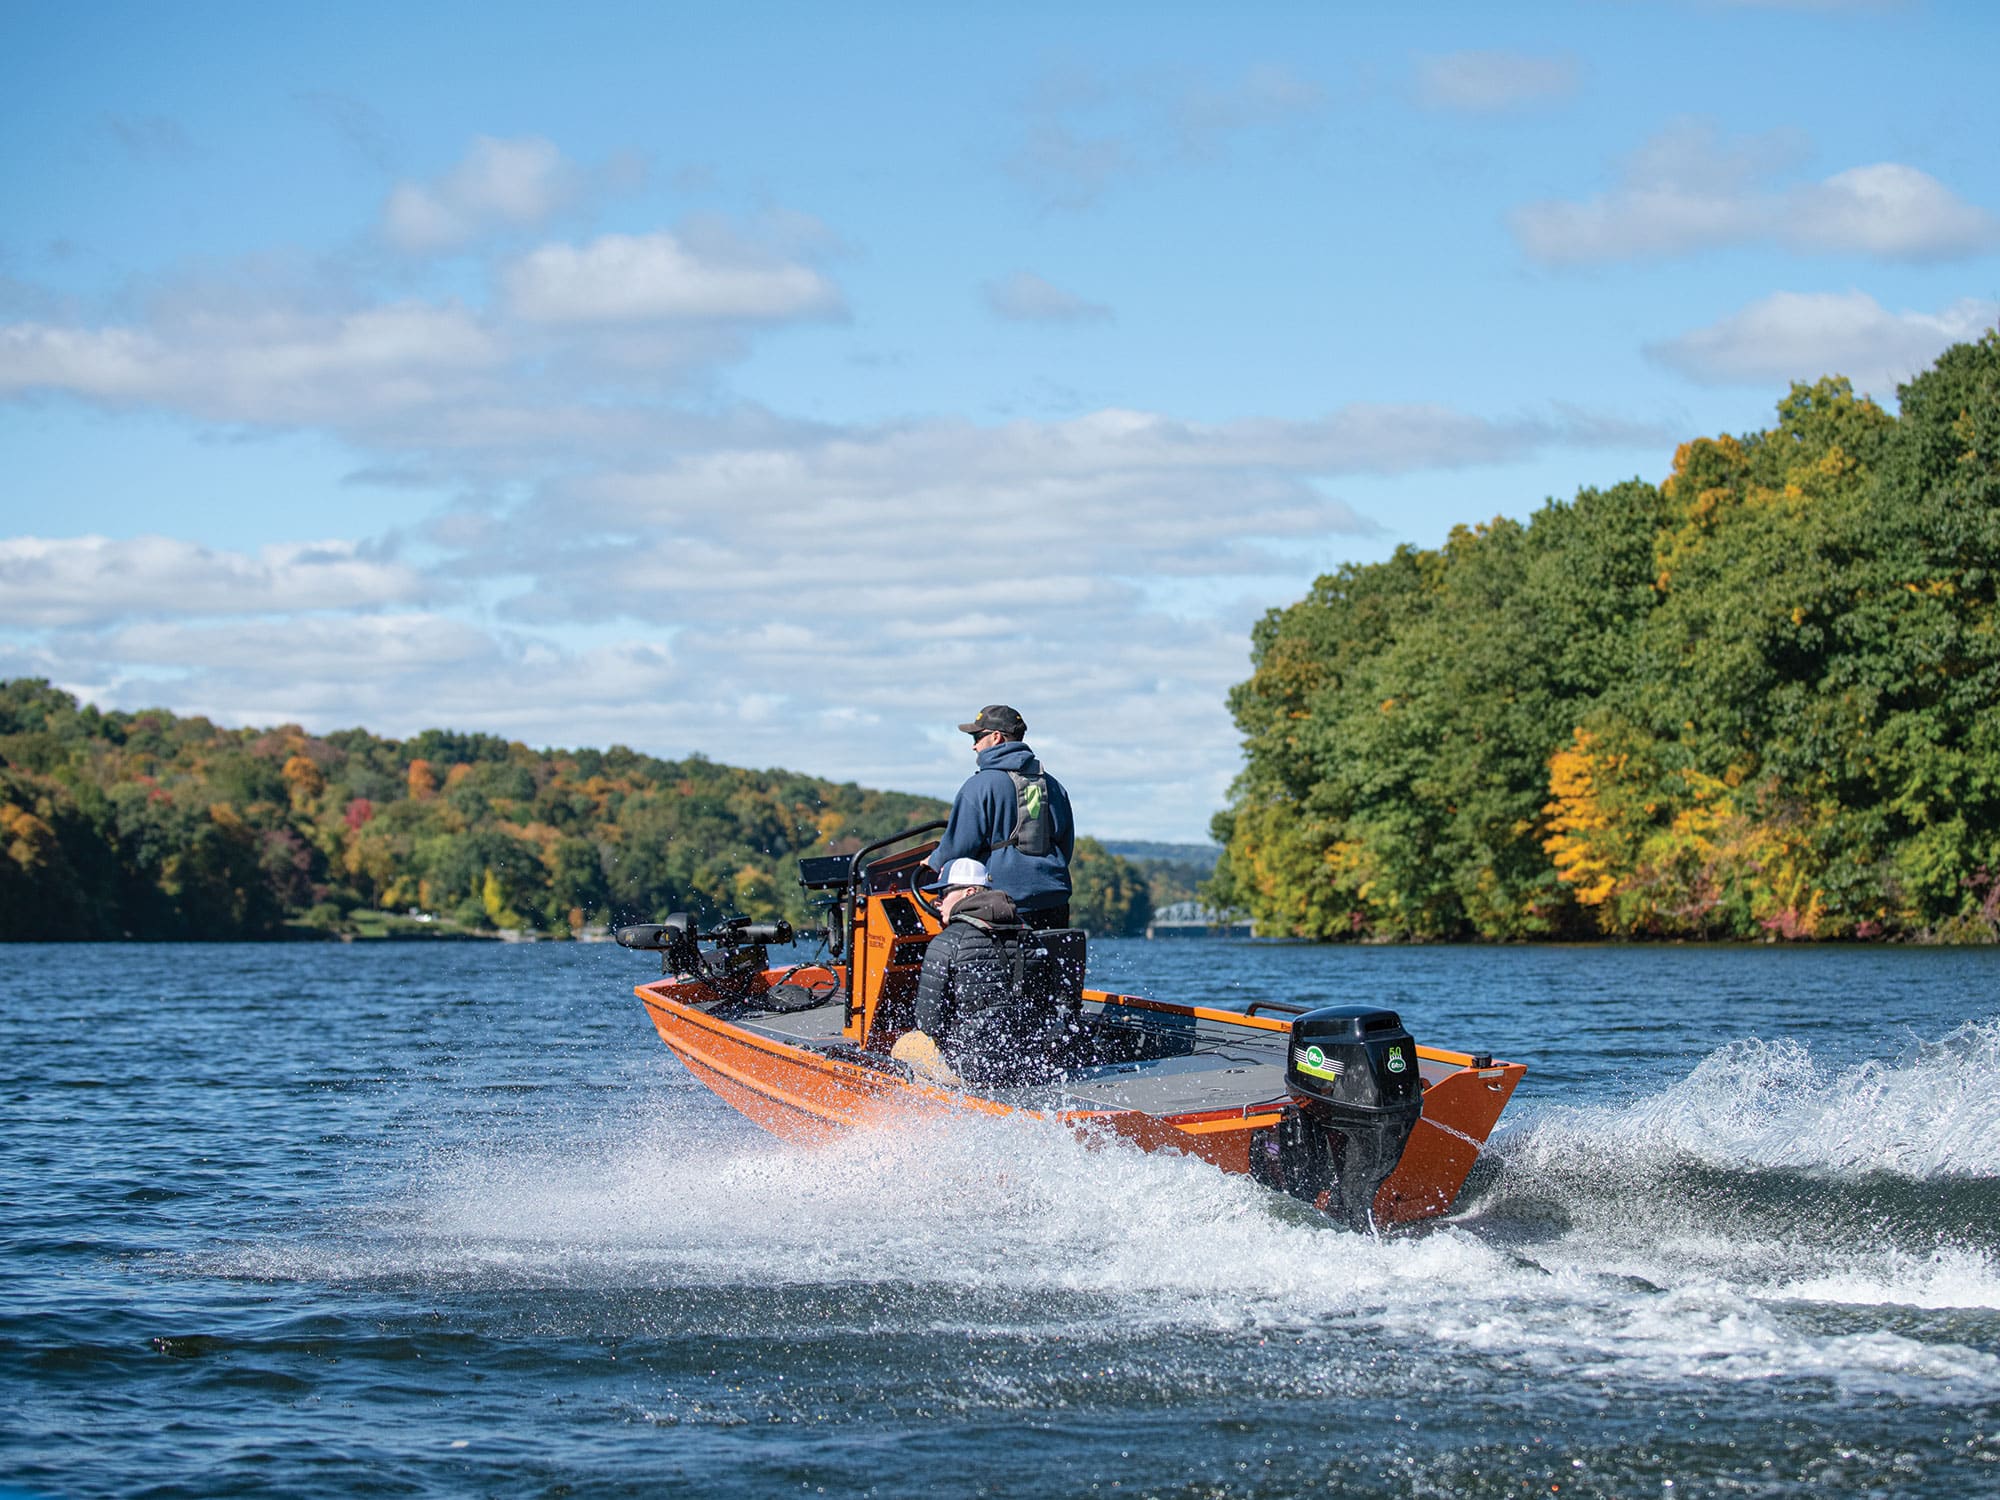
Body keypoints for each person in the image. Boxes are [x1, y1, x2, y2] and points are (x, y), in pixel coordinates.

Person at [897, 857, 1071, 1086]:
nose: (937, 902)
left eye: (943, 893)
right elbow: (1048, 1008)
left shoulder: (947, 942)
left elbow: (929, 1023)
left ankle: (934, 1111)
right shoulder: (1030, 937)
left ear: (968, 893)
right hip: (1028, 1066)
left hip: (973, 1069)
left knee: (904, 1047)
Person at [926, 704, 1075, 931]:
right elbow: (1066, 845)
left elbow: (958, 848)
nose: (973, 746)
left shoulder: (979, 786)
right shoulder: (1053, 785)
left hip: (1005, 904)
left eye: (977, 736)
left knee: (1006, 965)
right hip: (1054, 898)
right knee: (1049, 964)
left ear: (995, 738)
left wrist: (934, 862)